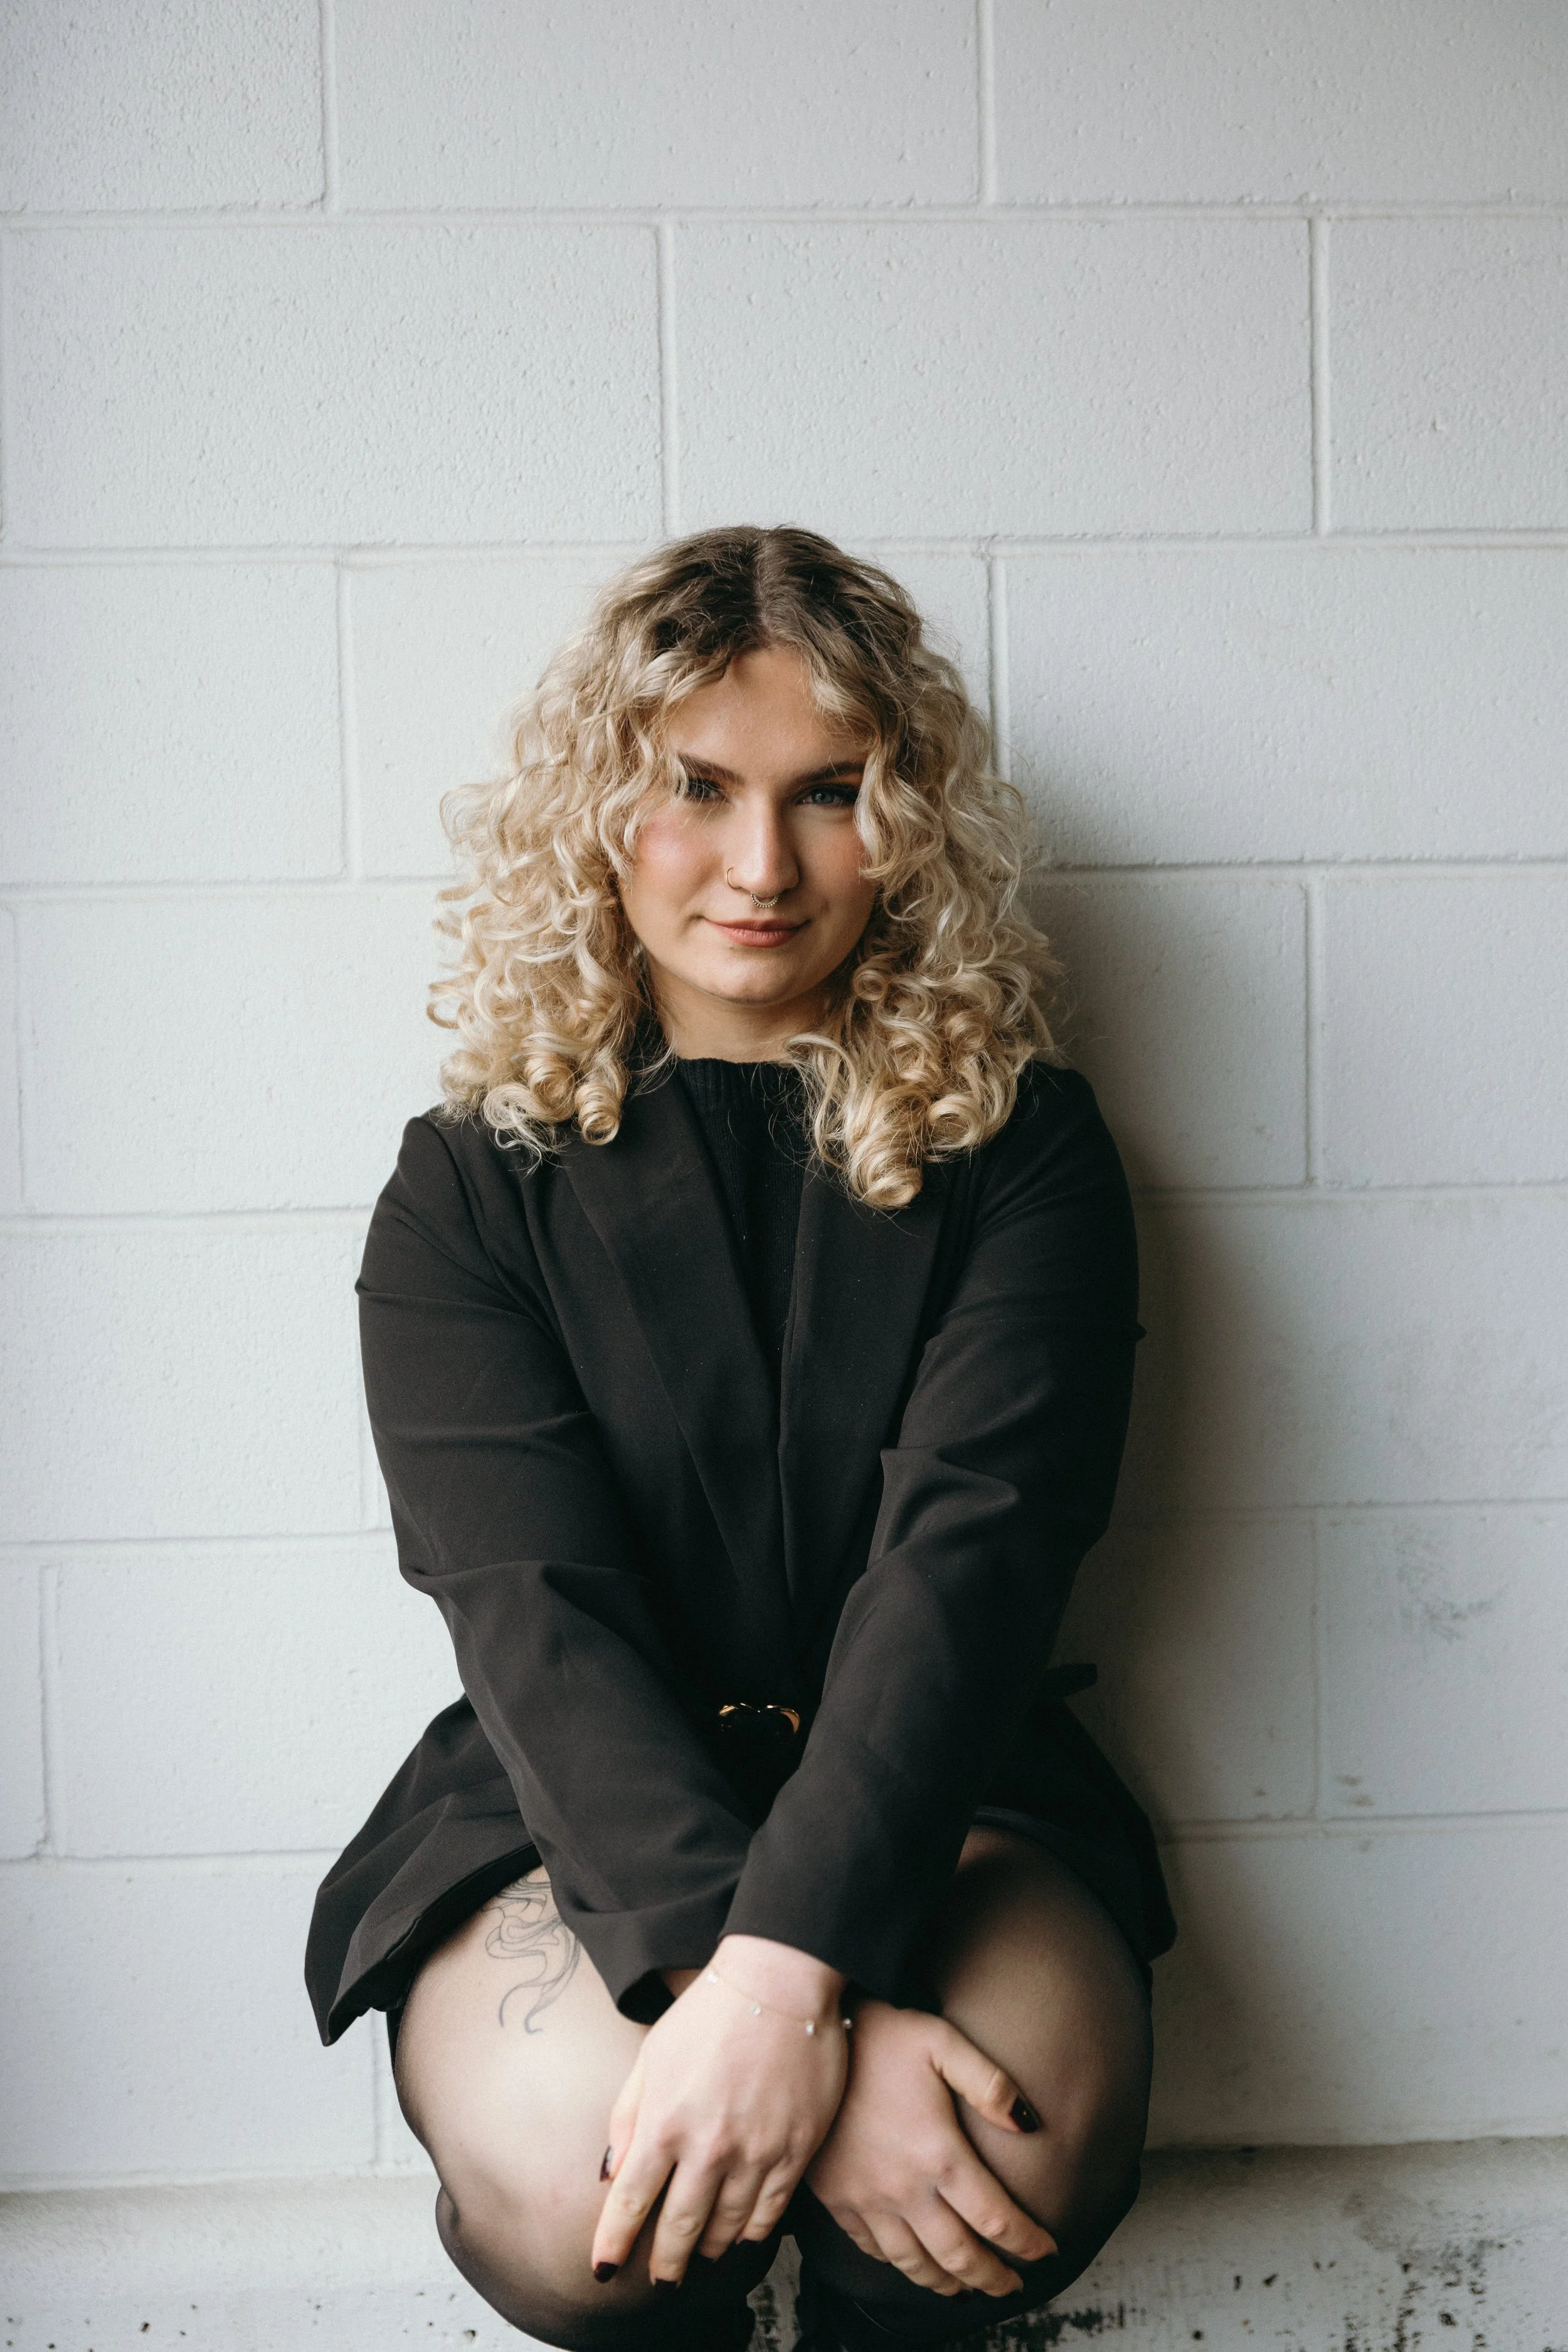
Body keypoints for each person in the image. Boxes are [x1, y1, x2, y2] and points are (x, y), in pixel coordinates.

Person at [305, 525, 1174, 2351]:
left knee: (984, 2165)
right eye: (697, 786)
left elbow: (972, 1567)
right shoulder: (465, 1188)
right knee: (601, 2205)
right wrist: (749, 1995)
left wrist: (791, 1988)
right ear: (600, 811)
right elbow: (531, 1608)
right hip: (578, 1801)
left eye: (830, 793)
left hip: (950, 1787)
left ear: (908, 821)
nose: (762, 865)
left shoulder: (1029, 1153)